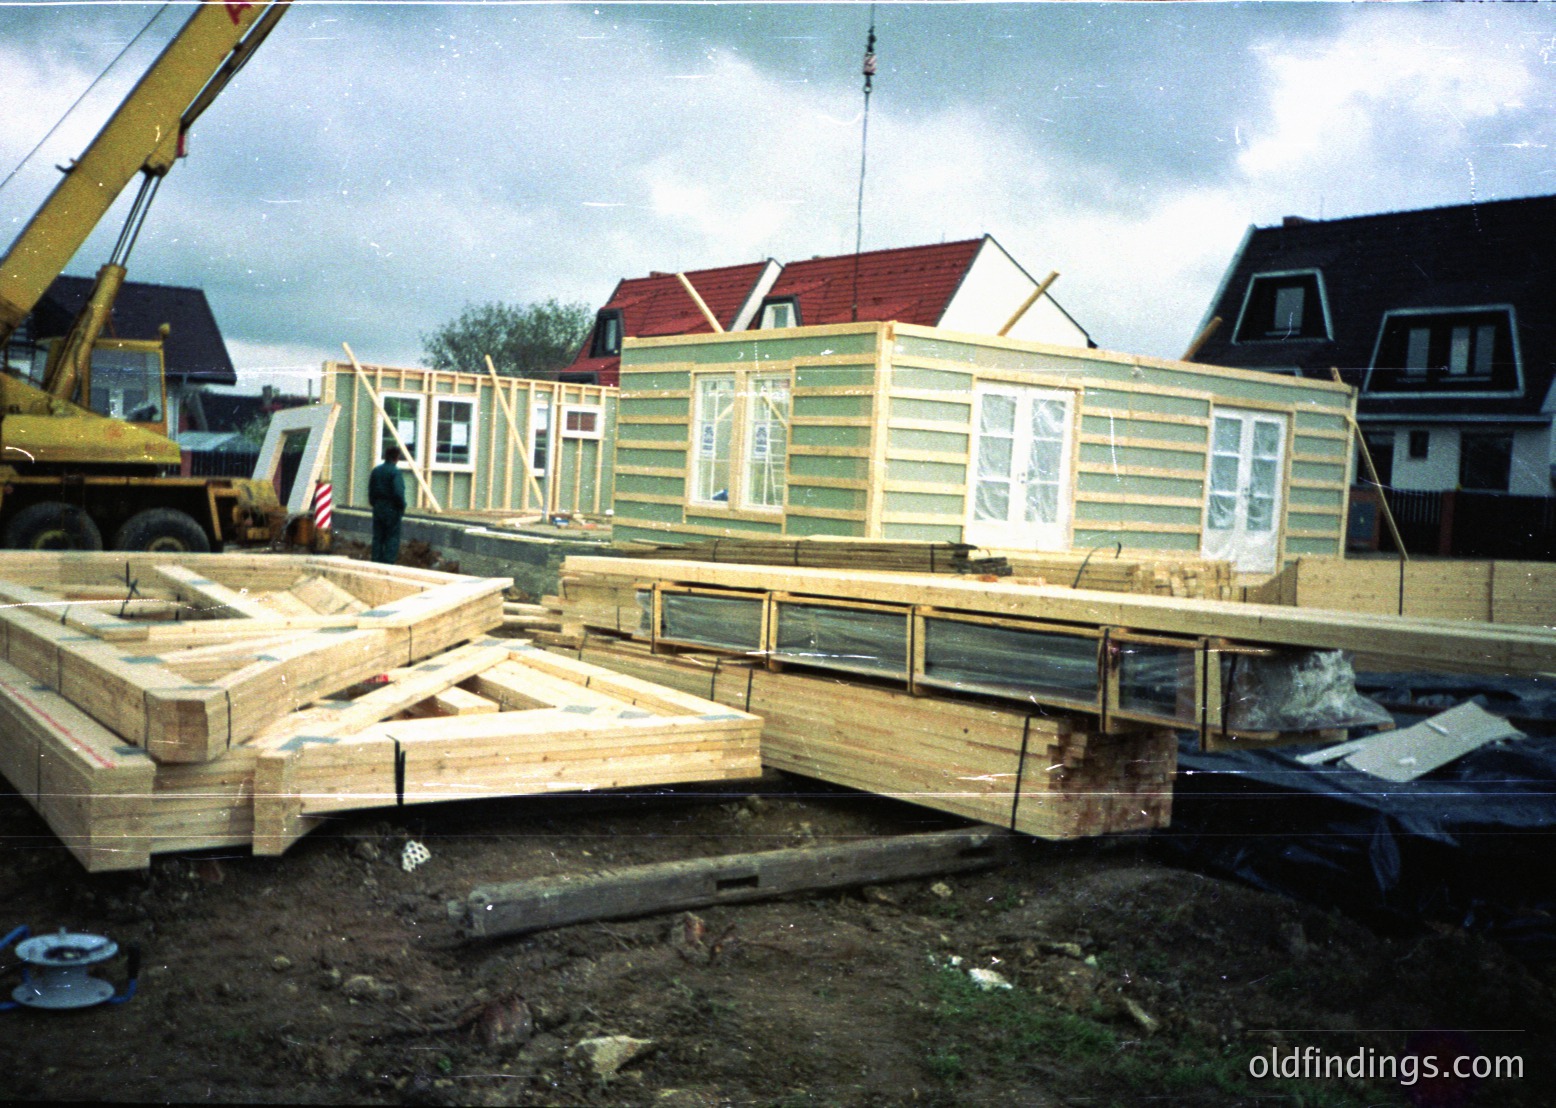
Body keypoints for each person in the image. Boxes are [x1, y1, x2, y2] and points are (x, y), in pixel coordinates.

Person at [368, 445, 407, 564]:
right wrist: (402, 506)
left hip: (378, 506)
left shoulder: (376, 471)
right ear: (396, 458)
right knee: (392, 537)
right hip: (392, 508)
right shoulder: (395, 472)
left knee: (378, 536)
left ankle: (375, 561)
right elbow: (398, 492)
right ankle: (388, 563)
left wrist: (375, 504)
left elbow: (371, 490)